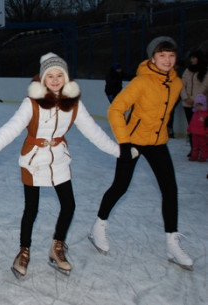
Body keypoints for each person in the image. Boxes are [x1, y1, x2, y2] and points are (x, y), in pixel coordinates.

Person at [0, 52, 121, 277]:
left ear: (66, 77)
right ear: (42, 78)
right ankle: (24, 251)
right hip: (33, 159)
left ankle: (57, 247)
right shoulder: (31, 103)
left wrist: (119, 152)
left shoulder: (73, 105)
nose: (54, 80)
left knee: (69, 205)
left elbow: (94, 133)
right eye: (49, 75)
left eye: (59, 75)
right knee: (31, 209)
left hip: (59, 159)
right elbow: (10, 130)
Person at [89, 36, 194, 271]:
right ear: (152, 58)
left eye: (171, 55)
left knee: (170, 190)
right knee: (120, 186)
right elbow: (116, 109)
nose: (167, 60)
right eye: (161, 55)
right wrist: (124, 143)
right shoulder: (141, 82)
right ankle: (98, 226)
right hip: (134, 141)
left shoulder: (176, 83)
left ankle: (171, 242)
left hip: (158, 142)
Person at [181, 50, 208, 155]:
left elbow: (204, 86)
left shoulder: (205, 70)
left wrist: (194, 99)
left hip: (200, 105)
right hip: (187, 103)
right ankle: (193, 148)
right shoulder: (187, 71)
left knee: (202, 128)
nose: (192, 60)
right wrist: (185, 98)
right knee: (192, 127)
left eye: (194, 57)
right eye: (191, 58)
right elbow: (181, 85)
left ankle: (203, 149)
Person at [187, 93, 208, 161]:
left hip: (203, 134)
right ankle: (194, 156)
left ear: (204, 105)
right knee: (195, 146)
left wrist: (207, 132)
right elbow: (192, 123)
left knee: (203, 146)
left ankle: (203, 157)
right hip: (194, 133)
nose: (198, 107)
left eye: (200, 105)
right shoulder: (195, 114)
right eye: (197, 105)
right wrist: (189, 129)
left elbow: (207, 125)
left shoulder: (206, 115)